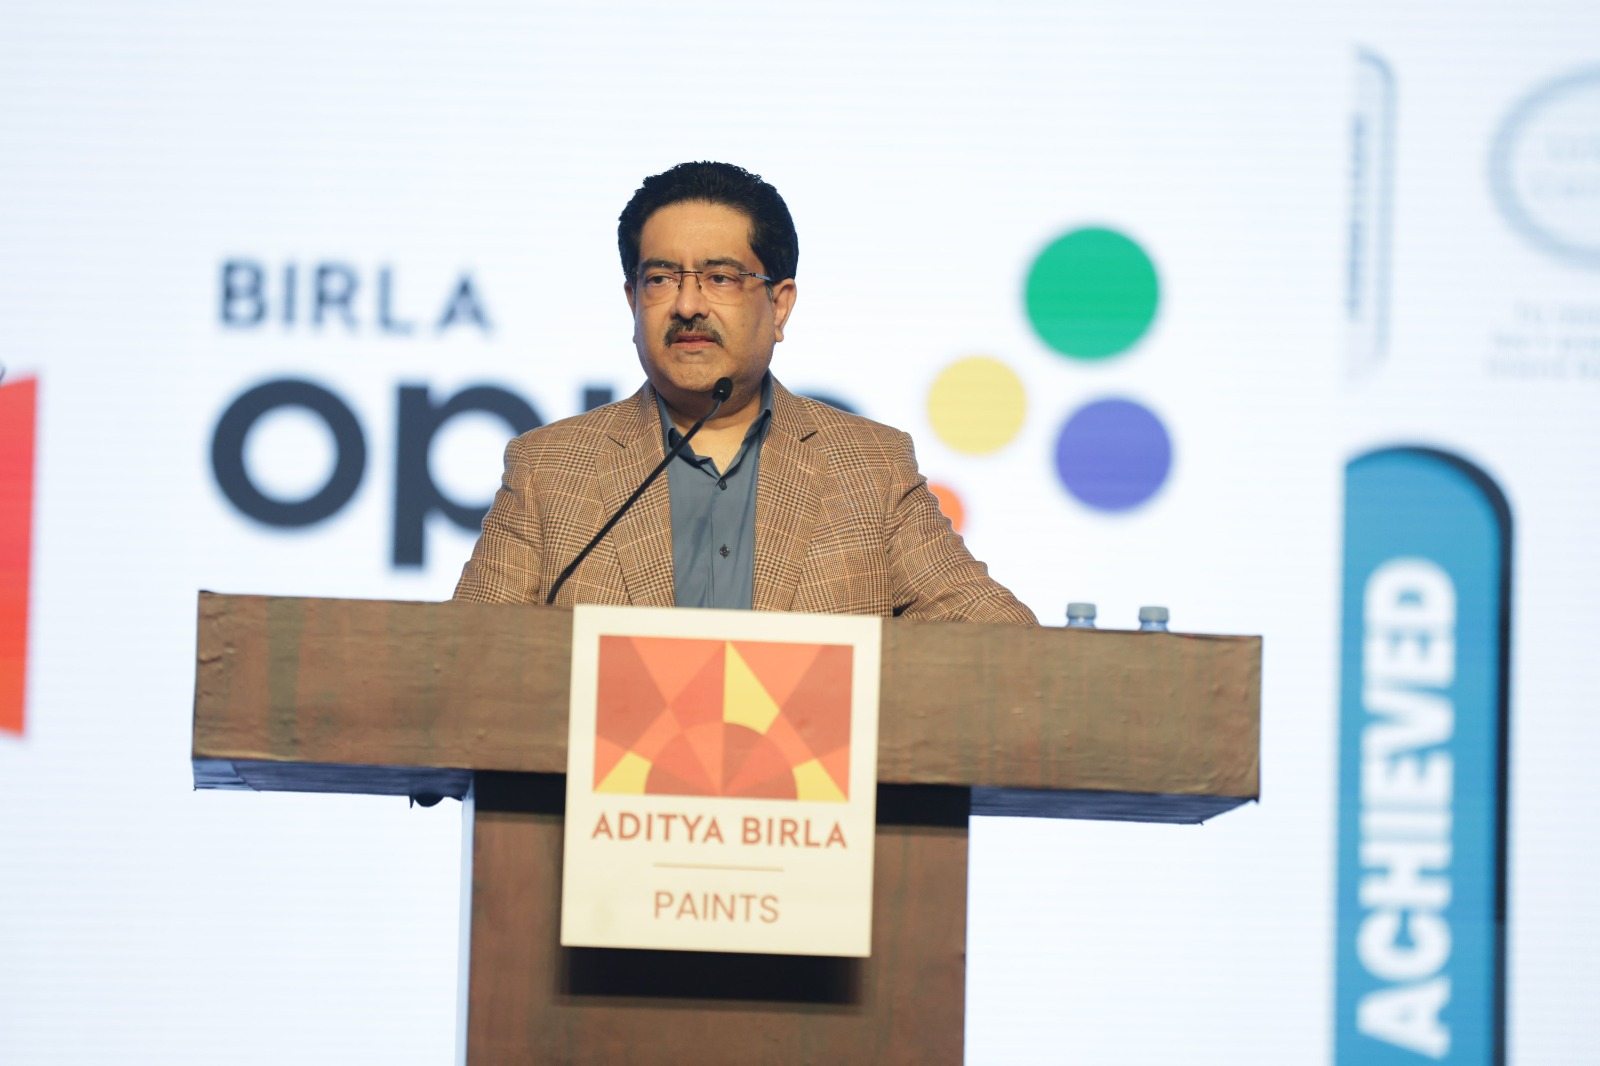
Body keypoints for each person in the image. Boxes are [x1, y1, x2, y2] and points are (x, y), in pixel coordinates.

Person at [453, 161, 1035, 624]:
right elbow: (465, 664)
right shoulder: (549, 469)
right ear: (633, 301)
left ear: (779, 305)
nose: (687, 305)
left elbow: (997, 639)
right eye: (661, 279)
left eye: (720, 278)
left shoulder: (869, 468)